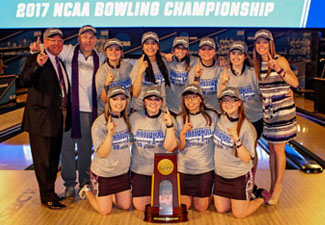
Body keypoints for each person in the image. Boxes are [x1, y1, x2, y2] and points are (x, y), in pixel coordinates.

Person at [30, 25, 105, 198]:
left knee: (86, 150)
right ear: (78, 39)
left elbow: (123, 62)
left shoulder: (100, 58)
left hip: (89, 112)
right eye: (84, 37)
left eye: (91, 37)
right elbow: (51, 49)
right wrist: (37, 49)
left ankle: (85, 182)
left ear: (96, 40)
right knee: (68, 149)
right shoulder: (69, 51)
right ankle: (70, 183)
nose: (88, 40)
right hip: (69, 111)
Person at [19, 28, 71, 209]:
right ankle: (47, 197)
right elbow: (24, 81)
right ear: (44, 43)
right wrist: (37, 65)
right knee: (43, 161)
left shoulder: (59, 61)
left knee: (52, 159)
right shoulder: (37, 58)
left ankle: (50, 193)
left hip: (55, 119)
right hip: (41, 120)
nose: (56, 44)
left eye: (59, 41)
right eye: (52, 40)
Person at [253, 29, 298, 205]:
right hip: (269, 112)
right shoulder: (256, 65)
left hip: (283, 110)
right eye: (258, 43)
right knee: (272, 150)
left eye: (265, 42)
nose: (261, 45)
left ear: (271, 43)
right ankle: (273, 187)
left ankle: (277, 188)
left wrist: (278, 69)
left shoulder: (280, 60)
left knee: (278, 150)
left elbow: (294, 83)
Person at [213, 87, 270, 218]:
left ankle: (261, 196)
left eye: (232, 100)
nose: (228, 104)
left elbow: (246, 159)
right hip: (220, 174)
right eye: (225, 101)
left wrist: (237, 141)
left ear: (239, 103)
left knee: (239, 214)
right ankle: (248, 195)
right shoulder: (221, 119)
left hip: (239, 177)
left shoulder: (247, 128)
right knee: (221, 209)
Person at [78, 86, 132, 215]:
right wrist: (109, 134)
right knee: (105, 211)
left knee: (125, 206)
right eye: (115, 99)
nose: (119, 103)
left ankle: (110, 195)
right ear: (108, 101)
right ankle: (86, 189)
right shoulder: (100, 124)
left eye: (122, 99)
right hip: (104, 173)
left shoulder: (126, 120)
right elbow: (102, 153)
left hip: (122, 172)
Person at [217, 41, 263, 175]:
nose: (236, 57)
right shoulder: (224, 73)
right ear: (229, 55)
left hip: (254, 119)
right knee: (232, 151)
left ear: (244, 56)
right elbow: (221, 98)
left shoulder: (252, 73)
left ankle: (251, 181)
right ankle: (235, 178)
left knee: (250, 151)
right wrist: (224, 83)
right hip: (234, 120)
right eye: (233, 53)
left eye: (239, 54)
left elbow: (262, 94)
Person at [129, 86, 177, 211]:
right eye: (149, 99)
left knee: (163, 206)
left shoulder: (168, 118)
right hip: (140, 170)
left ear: (161, 102)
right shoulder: (134, 118)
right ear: (144, 102)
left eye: (157, 99)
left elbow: (170, 147)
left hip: (162, 170)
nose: (153, 102)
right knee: (140, 207)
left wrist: (169, 125)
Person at [176, 84, 218, 212]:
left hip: (205, 169)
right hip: (184, 169)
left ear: (201, 99)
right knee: (185, 207)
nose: (190, 101)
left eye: (194, 97)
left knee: (201, 208)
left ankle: (213, 194)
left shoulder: (212, 116)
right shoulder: (179, 119)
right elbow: (179, 148)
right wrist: (182, 134)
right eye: (187, 98)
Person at [130, 31, 170, 111]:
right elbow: (135, 93)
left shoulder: (164, 62)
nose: (150, 47)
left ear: (158, 46)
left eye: (153, 43)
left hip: (159, 109)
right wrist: (140, 72)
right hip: (141, 111)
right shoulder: (139, 64)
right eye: (147, 44)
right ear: (142, 47)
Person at [95, 38, 133, 114]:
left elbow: (133, 90)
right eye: (110, 49)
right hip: (107, 113)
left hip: (125, 112)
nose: (114, 52)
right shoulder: (102, 71)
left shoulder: (128, 67)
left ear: (121, 52)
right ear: (105, 52)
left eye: (117, 49)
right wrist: (106, 84)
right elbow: (104, 99)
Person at [165, 36, 198, 116]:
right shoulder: (168, 61)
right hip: (170, 107)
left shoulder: (194, 61)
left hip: (187, 107)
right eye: (178, 48)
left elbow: (208, 61)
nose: (180, 51)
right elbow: (153, 54)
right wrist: (165, 56)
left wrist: (222, 60)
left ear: (187, 50)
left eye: (183, 49)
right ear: (173, 49)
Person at [188, 37, 221, 113]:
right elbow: (192, 94)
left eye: (210, 49)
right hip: (199, 111)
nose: (206, 52)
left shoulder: (221, 68)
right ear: (199, 52)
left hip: (217, 111)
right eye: (203, 49)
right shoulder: (193, 69)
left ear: (215, 52)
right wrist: (196, 77)